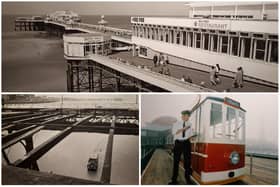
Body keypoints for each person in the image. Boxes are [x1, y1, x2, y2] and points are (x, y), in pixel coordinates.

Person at [169, 110, 194, 185]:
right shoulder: (176, 124)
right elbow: (174, 133)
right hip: (178, 143)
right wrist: (184, 128)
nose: (187, 117)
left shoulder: (190, 124)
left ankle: (188, 179)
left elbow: (190, 135)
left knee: (187, 162)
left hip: (186, 143)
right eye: (186, 116)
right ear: (182, 116)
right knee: (176, 162)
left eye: (188, 116)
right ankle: (174, 180)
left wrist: (191, 138)